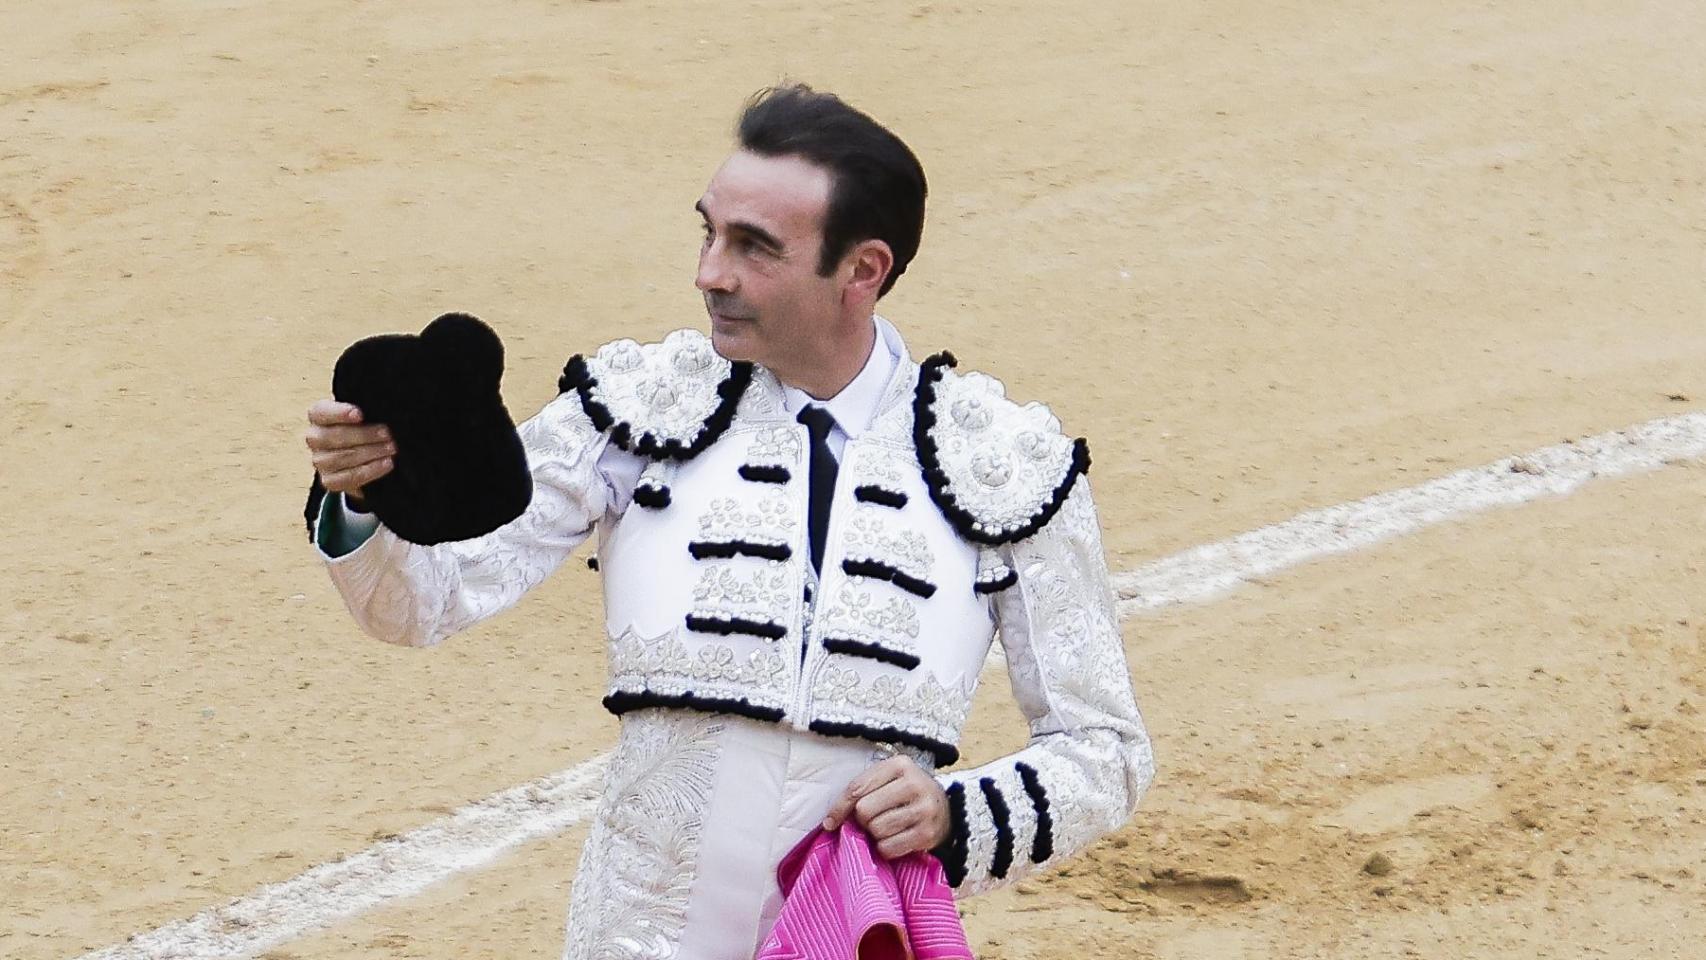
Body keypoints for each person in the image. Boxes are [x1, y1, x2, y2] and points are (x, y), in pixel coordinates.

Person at [302, 83, 1154, 958]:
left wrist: (952, 817)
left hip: (848, 932)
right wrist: (365, 501)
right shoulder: (635, 410)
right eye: (709, 232)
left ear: (863, 270)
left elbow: (1104, 750)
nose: (711, 272)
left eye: (754, 247)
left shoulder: (1003, 465)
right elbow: (422, 603)